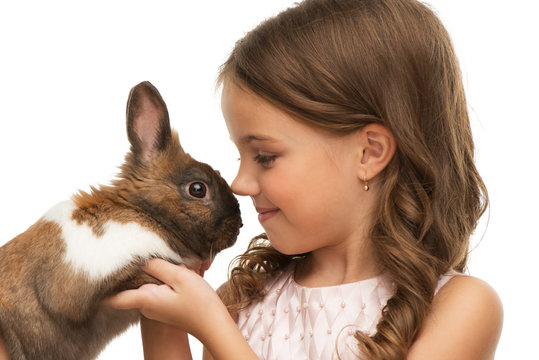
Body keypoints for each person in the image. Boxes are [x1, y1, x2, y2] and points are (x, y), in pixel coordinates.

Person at [0, 0, 503, 359]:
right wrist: (161, 308)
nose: (240, 183)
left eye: (264, 156)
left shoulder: (461, 307)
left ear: (369, 153)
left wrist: (214, 328)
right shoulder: (253, 296)